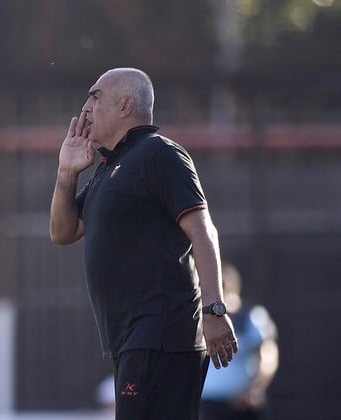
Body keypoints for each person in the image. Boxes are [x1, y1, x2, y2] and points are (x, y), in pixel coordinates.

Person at [49, 68, 238, 420]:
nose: (86, 108)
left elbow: (203, 231)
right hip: (131, 338)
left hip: (160, 333)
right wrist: (66, 173)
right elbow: (63, 232)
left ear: (125, 105)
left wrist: (214, 309)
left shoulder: (159, 153)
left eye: (96, 97)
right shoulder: (109, 166)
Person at [201, 262, 279, 420]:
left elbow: (268, 356)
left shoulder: (252, 316)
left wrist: (254, 389)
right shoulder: (200, 320)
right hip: (208, 404)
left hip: (242, 405)